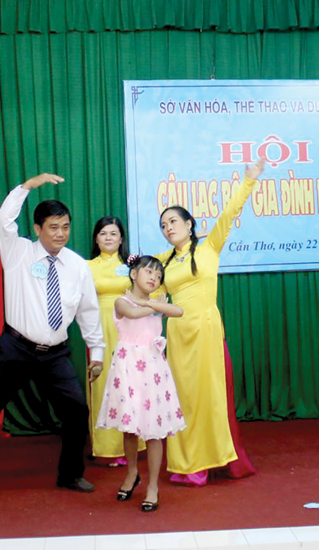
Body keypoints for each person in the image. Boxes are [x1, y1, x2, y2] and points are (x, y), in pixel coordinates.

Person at [0, 172, 105, 496]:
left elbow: (88, 311)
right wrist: (28, 186)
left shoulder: (77, 266)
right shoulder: (18, 252)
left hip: (55, 354)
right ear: (38, 229)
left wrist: (97, 352)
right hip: (15, 349)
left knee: (76, 411)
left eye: (65, 227)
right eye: (53, 227)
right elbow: (3, 220)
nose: (61, 234)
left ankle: (70, 475)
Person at [156, 158, 263, 486]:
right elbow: (136, 272)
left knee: (208, 396)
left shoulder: (209, 248)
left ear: (189, 224)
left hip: (205, 331)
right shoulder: (163, 262)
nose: (168, 228)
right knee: (183, 398)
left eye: (174, 221)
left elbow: (230, 212)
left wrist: (248, 181)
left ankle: (207, 462)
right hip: (178, 335)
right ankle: (187, 463)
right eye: (163, 225)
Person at [95, 256, 186, 512]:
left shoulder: (156, 302)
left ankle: (153, 486)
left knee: (154, 430)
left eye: (158, 276)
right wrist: (154, 305)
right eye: (149, 272)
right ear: (134, 274)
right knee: (130, 428)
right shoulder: (121, 301)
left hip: (153, 369)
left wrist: (153, 304)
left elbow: (179, 311)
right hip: (128, 368)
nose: (154, 278)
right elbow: (133, 313)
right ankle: (132, 473)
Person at [86, 216, 142, 466]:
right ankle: (108, 447)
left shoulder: (132, 265)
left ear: (121, 239)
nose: (108, 238)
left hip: (128, 327)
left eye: (113, 233)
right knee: (104, 383)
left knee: (130, 382)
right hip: (99, 328)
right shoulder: (86, 266)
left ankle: (133, 442)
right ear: (96, 239)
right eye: (103, 233)